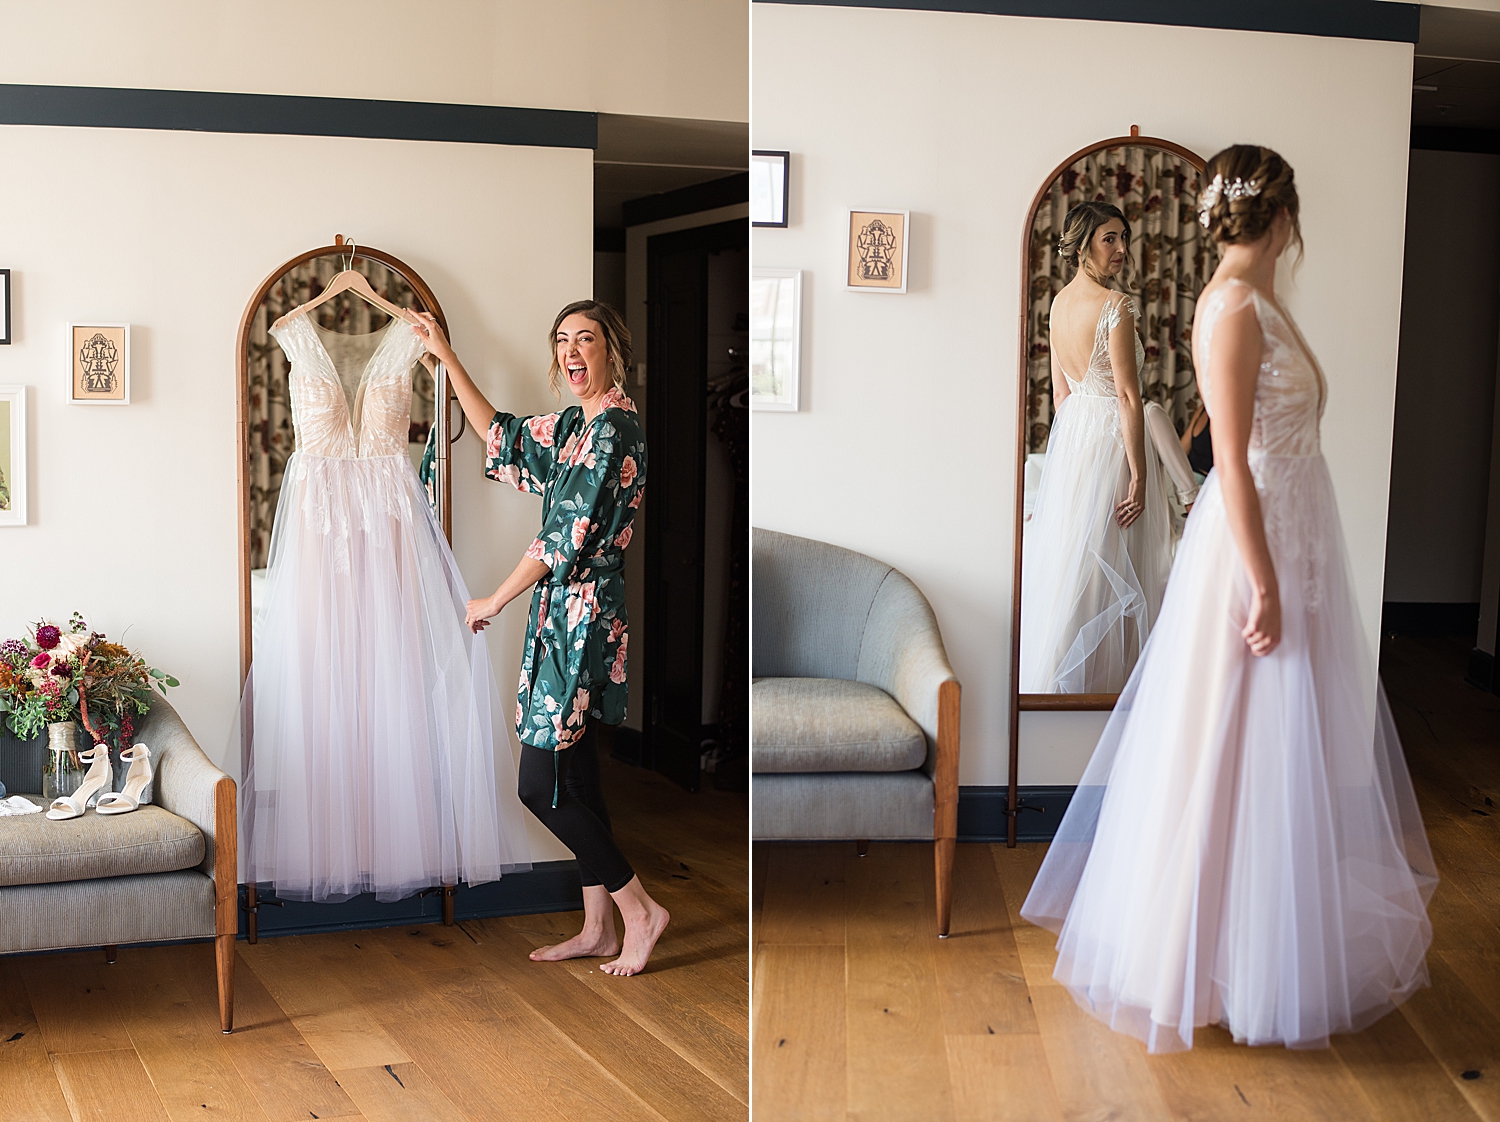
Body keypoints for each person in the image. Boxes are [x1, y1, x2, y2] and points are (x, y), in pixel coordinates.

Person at [1021, 146, 1436, 1052]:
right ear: (1281, 216)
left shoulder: (1260, 299)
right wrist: (1263, 578)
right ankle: (1197, 960)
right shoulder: (1231, 308)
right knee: (1228, 746)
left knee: (1276, 754)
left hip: (1290, 539)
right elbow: (1234, 465)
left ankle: (1255, 957)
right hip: (1256, 552)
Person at [412, 300, 670, 977]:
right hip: (563, 614)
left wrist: (491, 599)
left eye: (585, 338)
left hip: (581, 616)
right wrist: (445, 356)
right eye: (562, 340)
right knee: (577, 771)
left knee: (540, 780)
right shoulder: (577, 423)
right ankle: (598, 927)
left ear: (611, 349)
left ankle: (640, 909)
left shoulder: (614, 427)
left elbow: (566, 537)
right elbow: (502, 434)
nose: (571, 351)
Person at [1020, 202, 1174, 693]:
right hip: (1113, 443)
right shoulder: (1116, 306)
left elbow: (1062, 396)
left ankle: (1069, 691)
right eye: (1110, 239)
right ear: (1083, 243)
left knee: (1081, 569)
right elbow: (1129, 396)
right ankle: (1111, 691)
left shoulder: (1057, 305)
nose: (1122, 250)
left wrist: (1073, 460)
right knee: (1113, 565)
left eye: (1123, 238)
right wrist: (1140, 475)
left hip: (1078, 442)